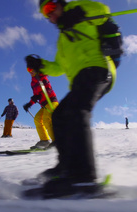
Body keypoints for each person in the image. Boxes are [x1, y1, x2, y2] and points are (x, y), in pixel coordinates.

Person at [25, 0, 117, 197]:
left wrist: (78, 12)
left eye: (50, 8)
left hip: (98, 69)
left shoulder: (79, 10)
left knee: (77, 112)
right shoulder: (63, 38)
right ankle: (65, 168)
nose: (50, 15)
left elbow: (103, 12)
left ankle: (84, 177)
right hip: (80, 80)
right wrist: (40, 64)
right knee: (59, 116)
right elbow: (58, 67)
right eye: (45, 14)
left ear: (60, 3)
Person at [23, 68, 59, 149]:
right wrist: (29, 104)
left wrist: (40, 95)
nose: (30, 71)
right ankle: (44, 140)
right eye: (28, 70)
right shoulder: (33, 83)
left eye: (31, 69)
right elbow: (36, 95)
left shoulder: (43, 77)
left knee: (47, 119)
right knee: (37, 119)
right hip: (44, 105)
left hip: (51, 101)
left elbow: (48, 90)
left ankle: (56, 141)